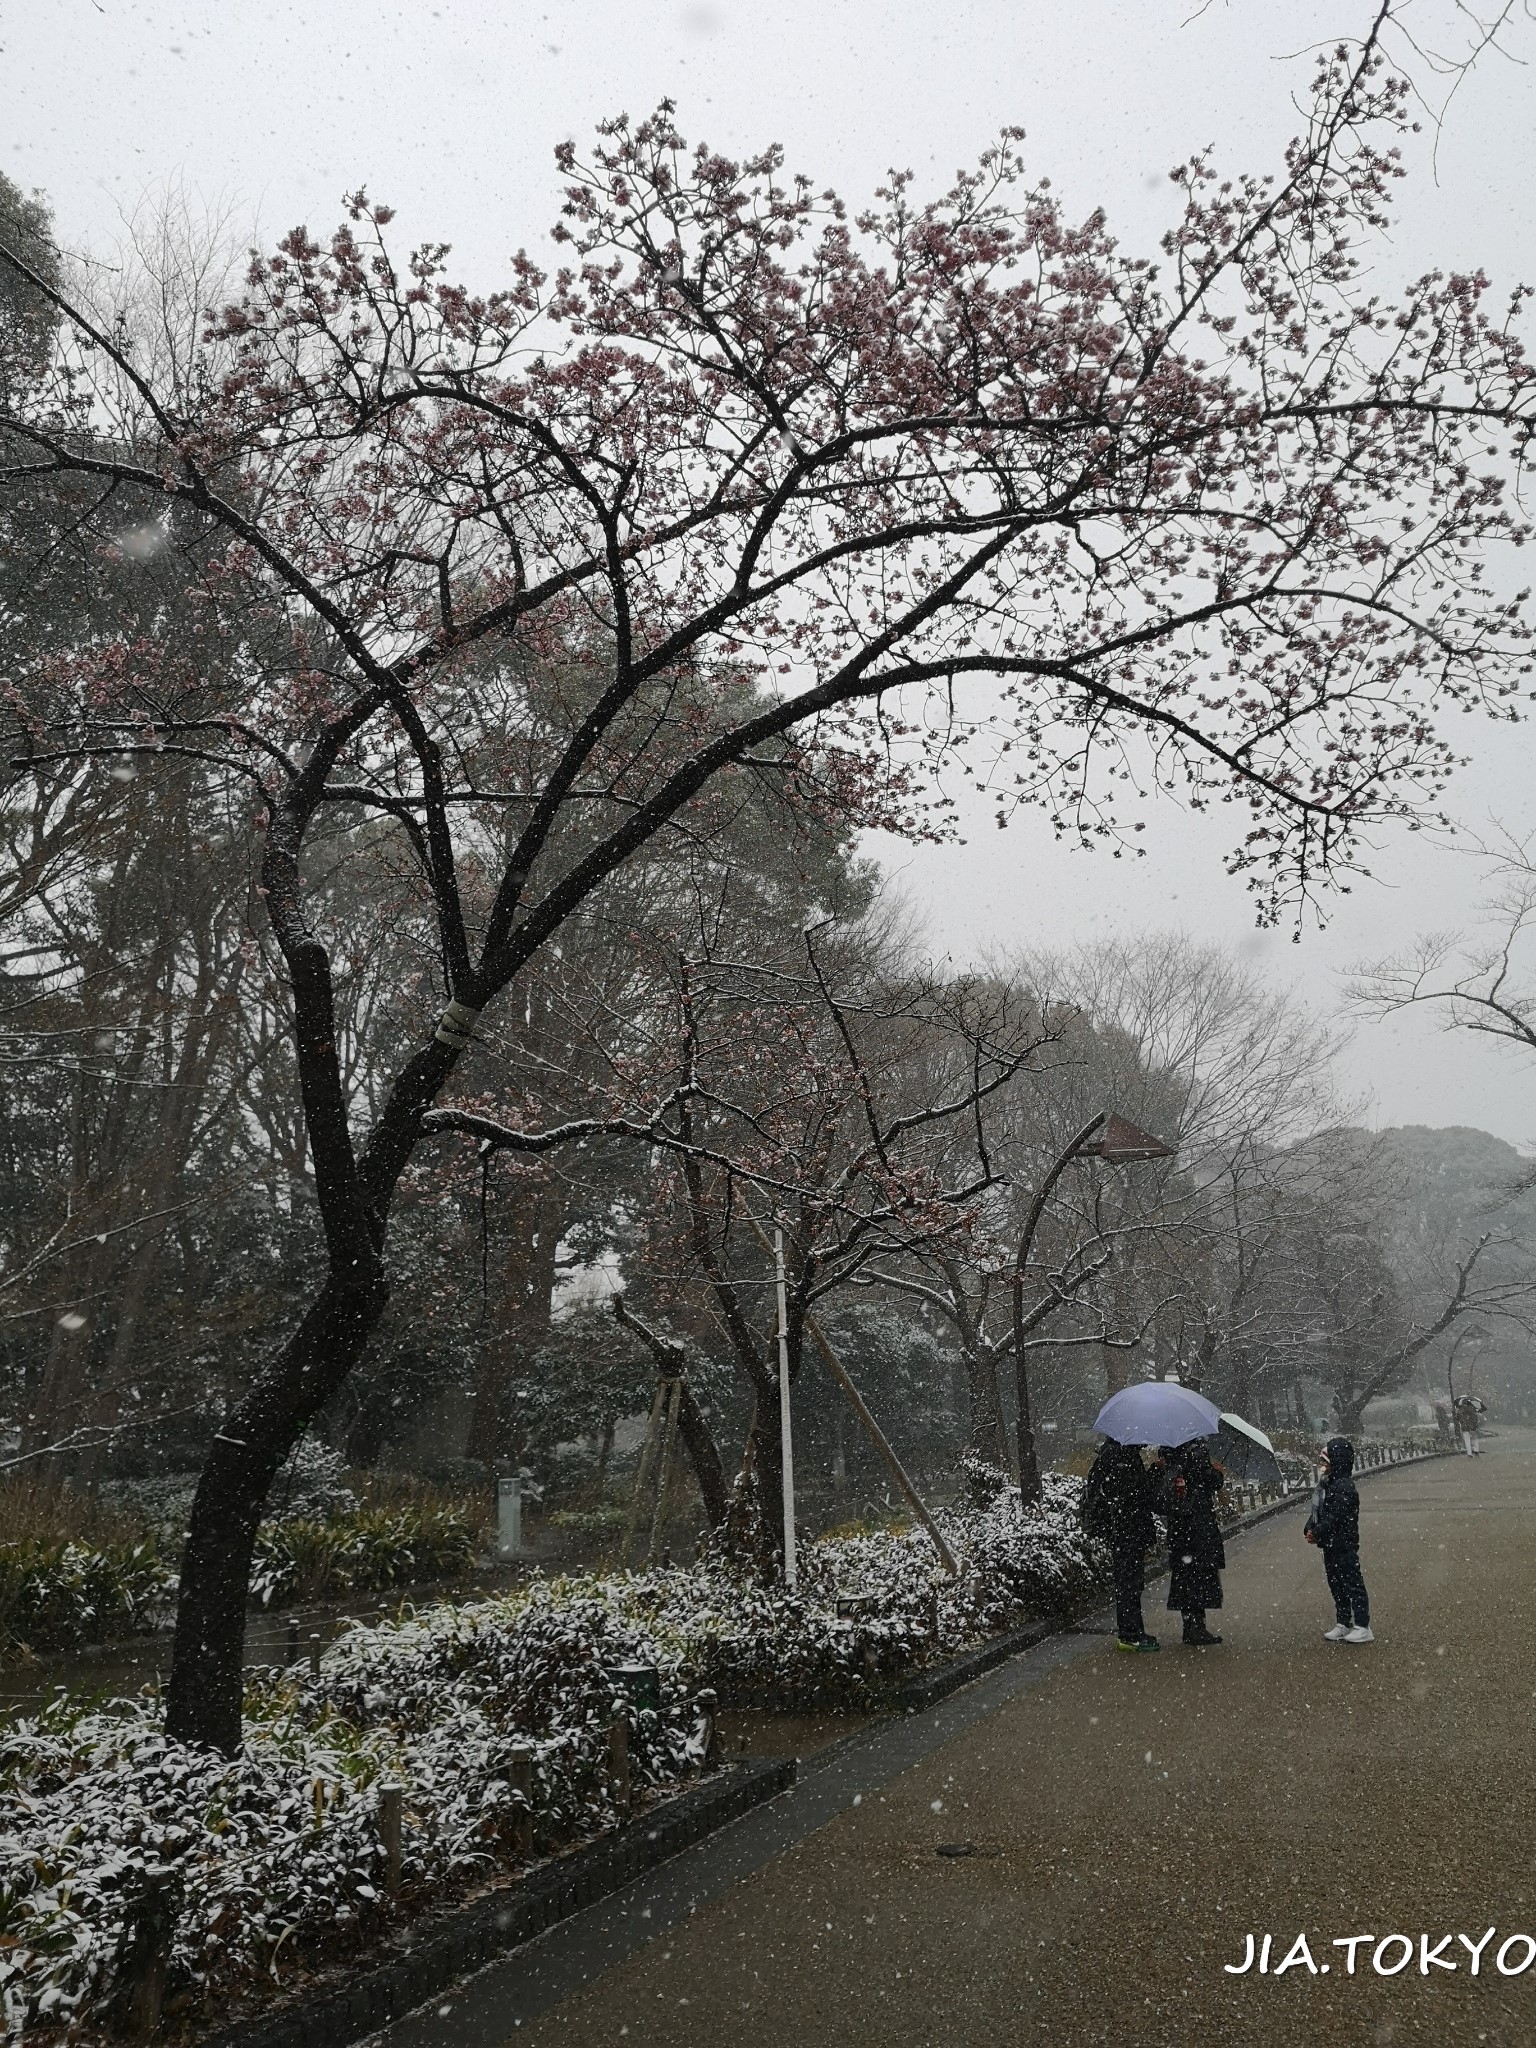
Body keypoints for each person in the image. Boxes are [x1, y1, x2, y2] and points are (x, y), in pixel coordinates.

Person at [1082, 1438, 1162, 1653]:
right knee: (1129, 1583)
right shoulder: (1120, 1457)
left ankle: (1133, 1632)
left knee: (1130, 1582)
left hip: (1123, 1531)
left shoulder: (1118, 1453)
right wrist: (1154, 1473)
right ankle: (1130, 1635)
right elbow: (1134, 1494)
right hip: (1126, 1531)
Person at [1304, 1436, 1373, 1644]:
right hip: (1331, 1544)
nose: (1321, 1466)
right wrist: (1310, 1527)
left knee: (1352, 1582)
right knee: (1336, 1582)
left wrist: (1318, 1531)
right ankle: (1343, 1621)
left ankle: (1362, 1625)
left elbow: (1335, 1516)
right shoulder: (1327, 1485)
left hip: (1343, 1542)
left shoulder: (1343, 1486)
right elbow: (1320, 1512)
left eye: (1325, 1462)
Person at [1161, 1439, 1226, 1646]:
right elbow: (1212, 1481)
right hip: (1198, 1525)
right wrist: (1217, 1472)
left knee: (1184, 1577)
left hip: (1178, 1527)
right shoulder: (1196, 1453)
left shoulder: (1168, 1453)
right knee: (1200, 1575)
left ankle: (1189, 1626)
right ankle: (1197, 1628)